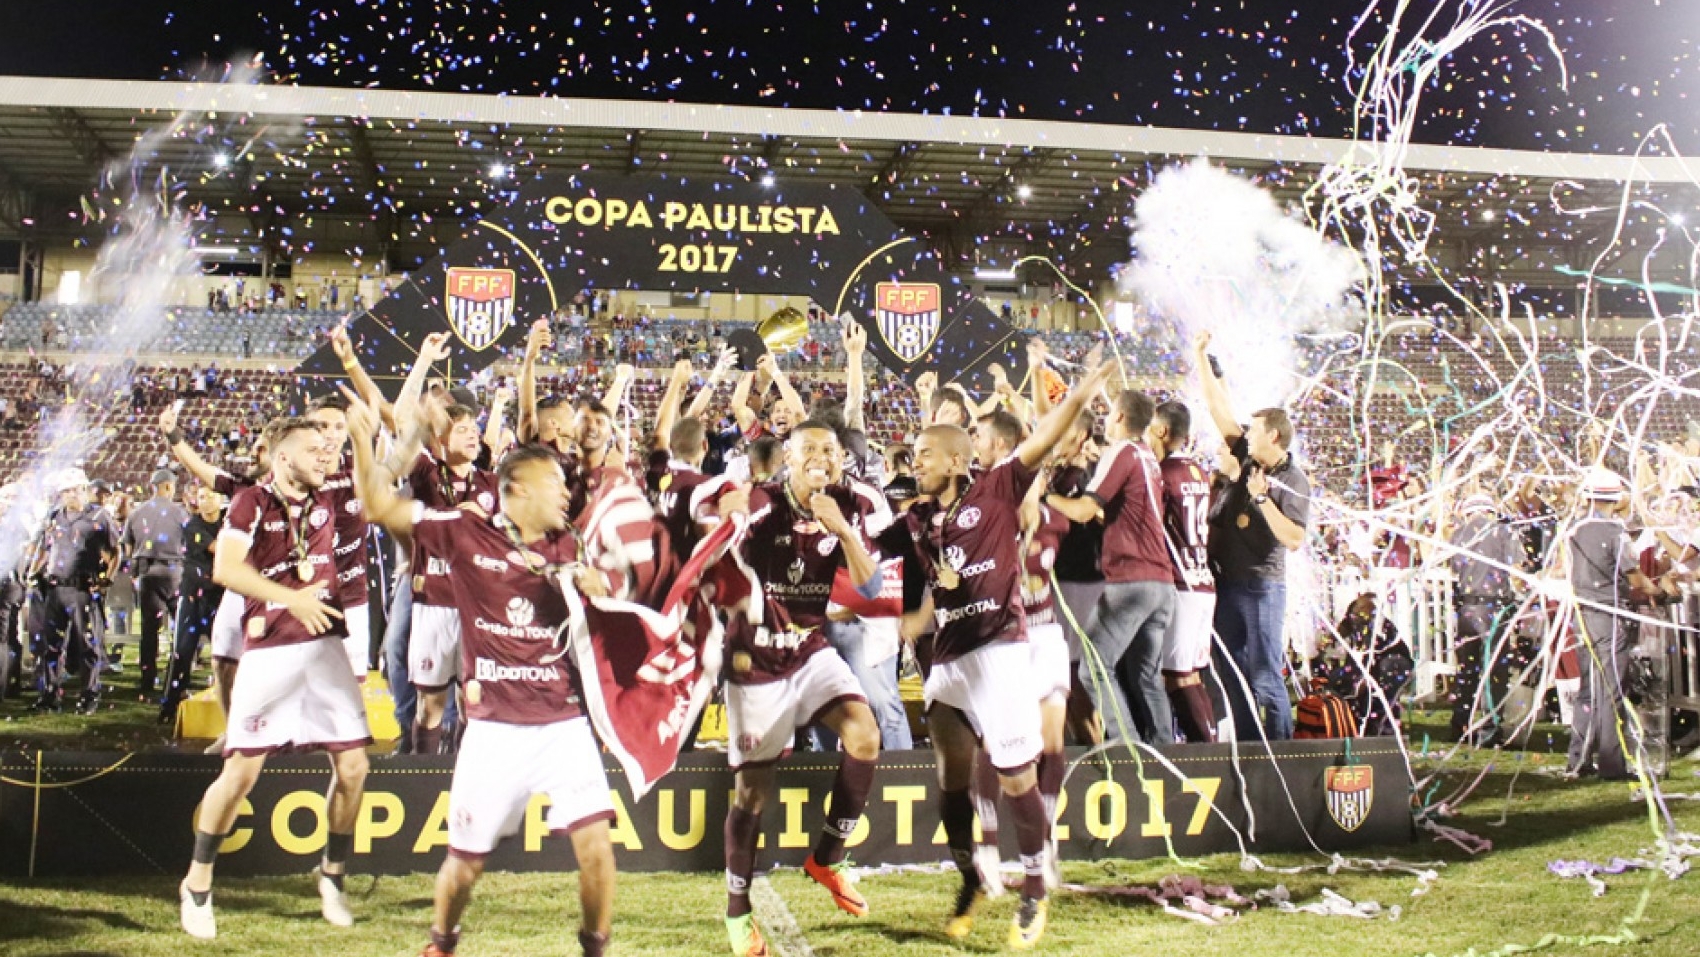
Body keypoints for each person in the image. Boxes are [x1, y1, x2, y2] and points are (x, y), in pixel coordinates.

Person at [349, 403, 619, 957]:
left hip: (562, 723)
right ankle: (441, 941)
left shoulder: (573, 545)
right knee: (465, 866)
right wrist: (361, 443)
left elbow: (614, 618)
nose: (565, 494)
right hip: (493, 731)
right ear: (516, 489)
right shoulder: (466, 531)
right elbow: (378, 506)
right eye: (553, 483)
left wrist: (603, 590)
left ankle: (595, 947)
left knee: (597, 850)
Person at [896, 360, 1111, 949]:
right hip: (949, 661)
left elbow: (1038, 441)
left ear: (958, 461)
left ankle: (1036, 886)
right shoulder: (916, 518)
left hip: (1001, 653)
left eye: (924, 455)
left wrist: (1080, 394)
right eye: (914, 455)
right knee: (952, 778)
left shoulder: (997, 489)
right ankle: (970, 877)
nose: (914, 463)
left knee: (1017, 779)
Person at [178, 418, 369, 940]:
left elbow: (382, 465)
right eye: (312, 449)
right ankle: (197, 881)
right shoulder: (251, 502)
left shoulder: (331, 491)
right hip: (271, 647)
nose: (324, 456)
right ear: (283, 458)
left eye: (326, 449)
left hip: (326, 644)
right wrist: (292, 598)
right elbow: (228, 570)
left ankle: (331, 872)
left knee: (353, 765)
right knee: (241, 774)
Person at [707, 421, 884, 957]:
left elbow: (870, 586)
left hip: (808, 647)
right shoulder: (763, 504)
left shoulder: (849, 504)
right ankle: (738, 911)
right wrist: (728, 510)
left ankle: (826, 859)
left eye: (829, 450)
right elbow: (721, 535)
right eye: (808, 449)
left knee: (865, 735)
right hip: (756, 656)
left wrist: (846, 532)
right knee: (753, 793)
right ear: (788, 456)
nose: (820, 458)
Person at [1193, 332, 1311, 741]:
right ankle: (1249, 747)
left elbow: (1294, 538)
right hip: (1229, 583)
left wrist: (1262, 501)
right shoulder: (1246, 454)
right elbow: (1216, 407)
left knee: (1265, 676)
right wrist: (1199, 356)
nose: (1248, 433)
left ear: (1273, 436)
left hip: (1263, 587)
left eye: (1256, 430)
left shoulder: (1293, 480)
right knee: (1232, 675)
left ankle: (1282, 754)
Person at [1147, 401, 1219, 743]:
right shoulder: (1198, 472)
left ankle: (1205, 752)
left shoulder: (1162, 474)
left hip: (1181, 583)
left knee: (1175, 675)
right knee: (1191, 675)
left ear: (1161, 430)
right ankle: (1212, 744)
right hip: (1203, 580)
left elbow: (1151, 523)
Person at [1564, 467, 1641, 780]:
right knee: (1612, 689)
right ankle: (1612, 763)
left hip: (1580, 613)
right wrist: (1657, 586)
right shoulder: (1615, 532)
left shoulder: (1574, 528)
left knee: (1588, 689)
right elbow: (1635, 577)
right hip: (1607, 614)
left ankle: (1578, 759)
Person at [28, 469, 119, 714]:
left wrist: (106, 580)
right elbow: (47, 548)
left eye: (74, 489)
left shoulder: (99, 517)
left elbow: (115, 552)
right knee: (51, 645)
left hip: (82, 589)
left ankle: (89, 696)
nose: (70, 495)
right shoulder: (56, 517)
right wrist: (35, 570)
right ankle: (49, 695)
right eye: (65, 491)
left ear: (84, 489)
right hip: (55, 588)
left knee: (87, 645)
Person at [1445, 492, 1525, 744]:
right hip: (1494, 608)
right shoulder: (1503, 533)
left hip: (1467, 608)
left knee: (1467, 668)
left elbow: (1454, 567)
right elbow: (1517, 567)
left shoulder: (1459, 534)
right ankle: (1490, 727)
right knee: (1494, 670)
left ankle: (1461, 722)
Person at [158, 485, 226, 723]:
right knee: (182, 652)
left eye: (211, 495)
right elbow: (219, 549)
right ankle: (170, 705)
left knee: (226, 654)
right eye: (201, 496)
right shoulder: (192, 526)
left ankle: (229, 706)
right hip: (193, 597)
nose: (205, 501)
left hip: (221, 597)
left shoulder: (229, 522)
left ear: (221, 499)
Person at [122, 468, 190, 696]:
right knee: (179, 629)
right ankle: (177, 679)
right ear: (168, 486)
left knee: (149, 631)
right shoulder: (180, 512)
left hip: (147, 572)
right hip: (176, 571)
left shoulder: (136, 512)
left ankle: (147, 680)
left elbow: (128, 547)